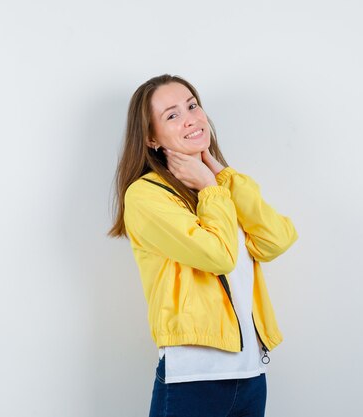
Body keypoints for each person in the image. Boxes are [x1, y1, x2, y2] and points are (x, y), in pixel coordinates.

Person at [108, 74, 298, 417]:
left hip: (251, 373)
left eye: (192, 105)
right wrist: (211, 187)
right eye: (172, 115)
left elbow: (276, 240)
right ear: (151, 138)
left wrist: (221, 175)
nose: (191, 118)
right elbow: (219, 255)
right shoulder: (146, 195)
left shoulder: (220, 188)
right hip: (194, 379)